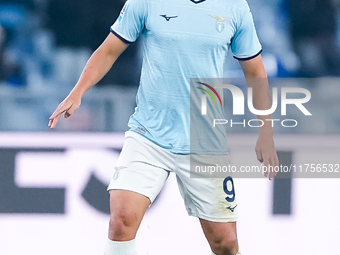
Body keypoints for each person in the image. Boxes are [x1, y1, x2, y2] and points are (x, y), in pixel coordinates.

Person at [49, 0, 279, 254]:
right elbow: (109, 50)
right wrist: (78, 91)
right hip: (148, 134)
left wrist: (265, 132)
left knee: (225, 243)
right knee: (121, 220)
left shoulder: (234, 7)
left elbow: (255, 70)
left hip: (204, 140)